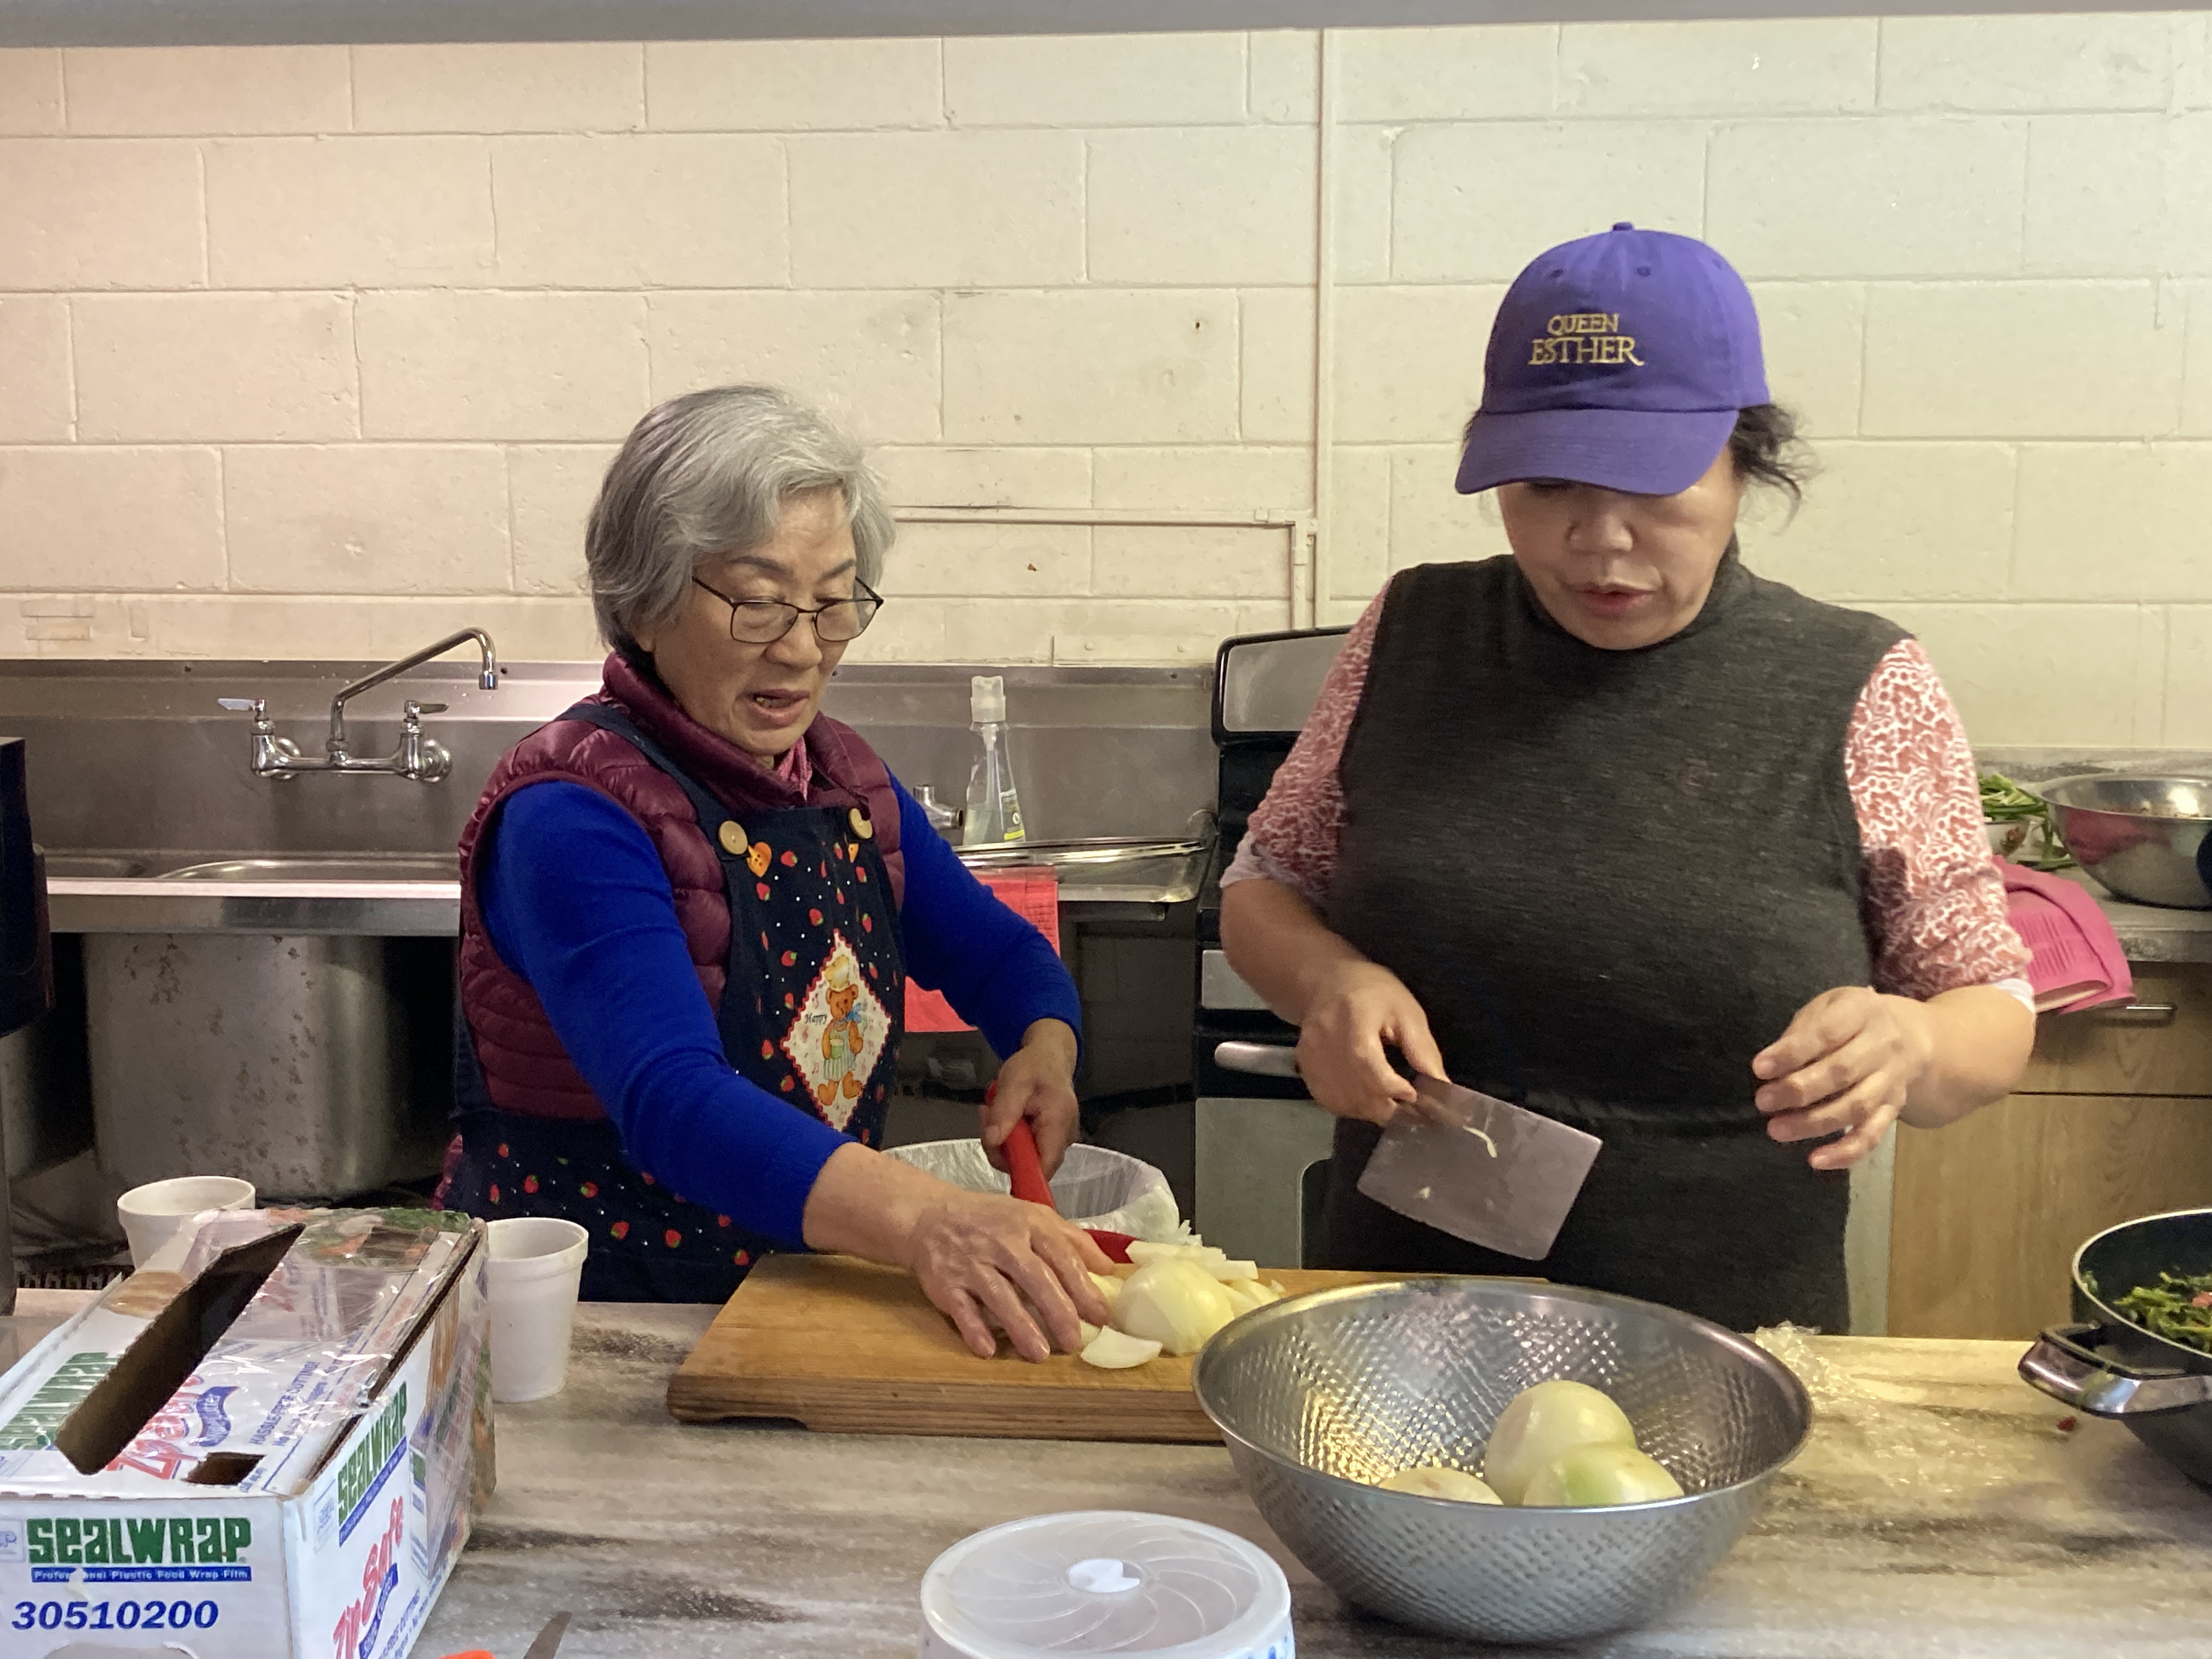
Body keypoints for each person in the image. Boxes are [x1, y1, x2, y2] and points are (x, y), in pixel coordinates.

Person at [1218, 224, 2036, 1331]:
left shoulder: (1860, 685)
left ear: (1744, 465)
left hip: (1725, 1336)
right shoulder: (1413, 631)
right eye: (1547, 483)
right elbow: (1267, 882)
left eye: (1655, 484)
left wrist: (1917, 1044)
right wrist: (1329, 984)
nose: (1598, 540)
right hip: (1407, 1317)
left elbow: (1993, 1005)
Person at [442, 385, 1108, 1358]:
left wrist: (1044, 1053)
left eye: (834, 605)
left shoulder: (840, 782)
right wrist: (929, 1218)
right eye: (758, 605)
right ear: (644, 600)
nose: (801, 649)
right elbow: (674, 1102)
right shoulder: (570, 816)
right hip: (601, 1327)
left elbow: (1002, 958)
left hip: (788, 1297)